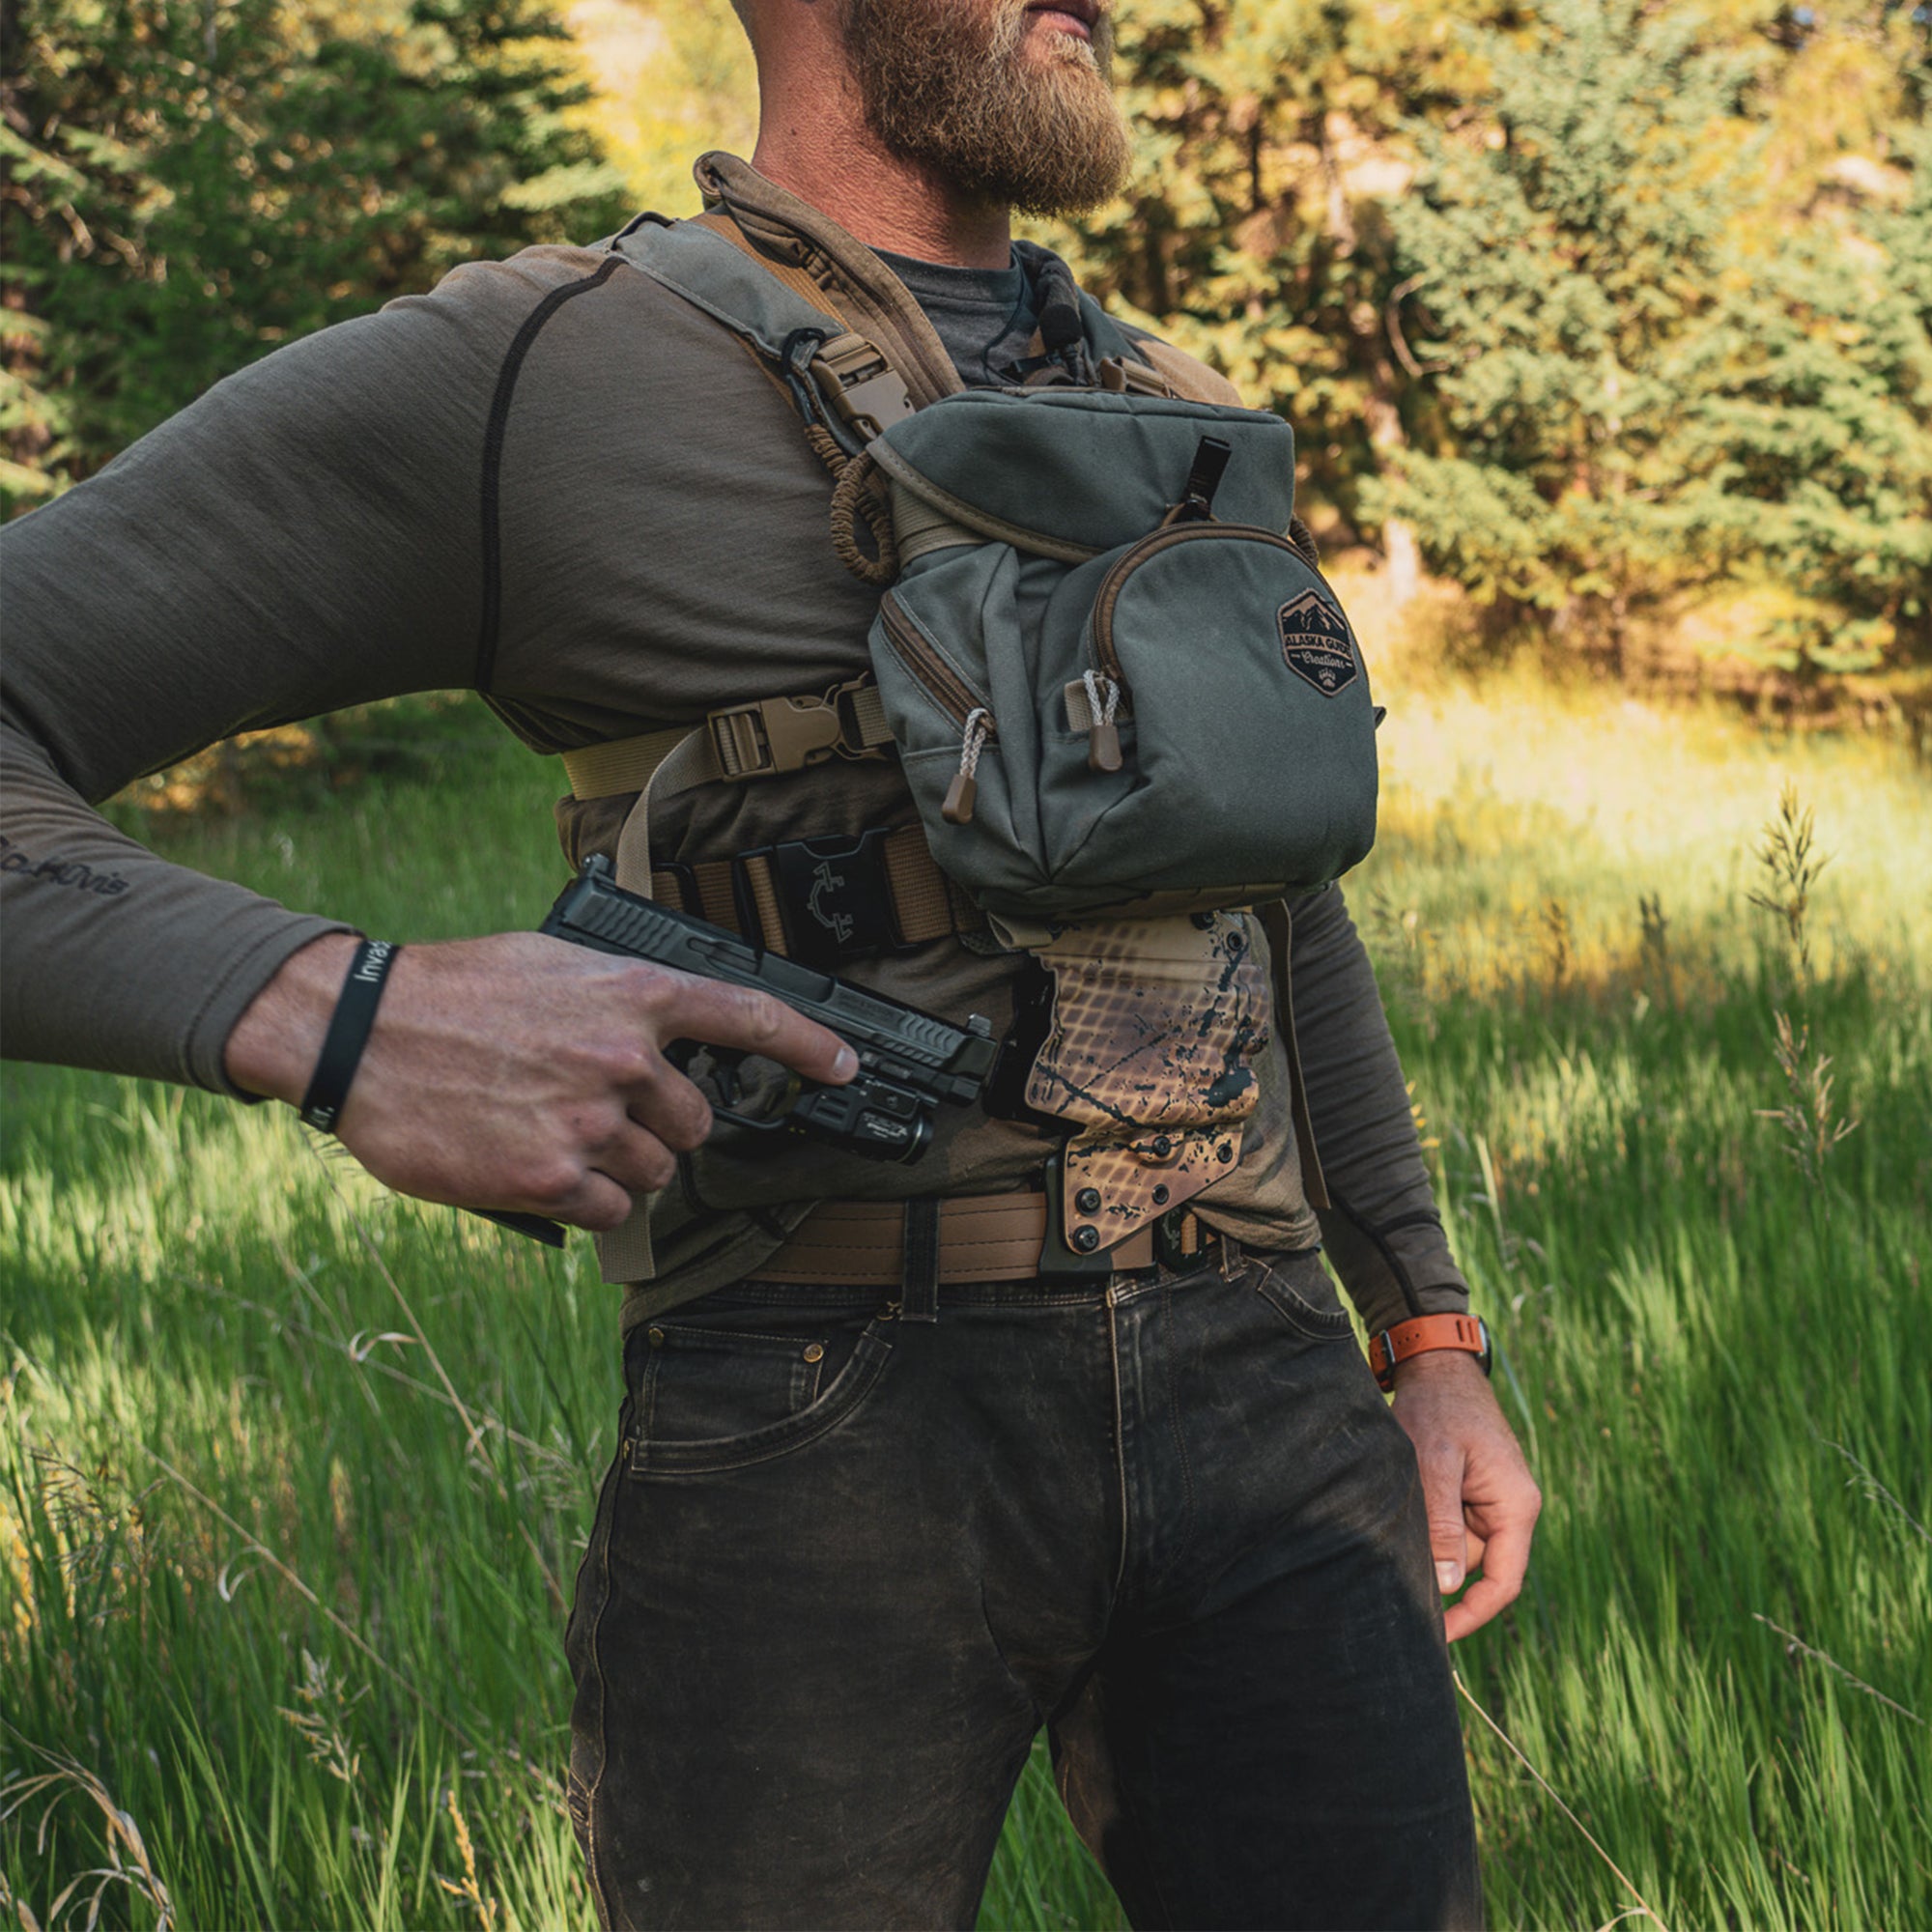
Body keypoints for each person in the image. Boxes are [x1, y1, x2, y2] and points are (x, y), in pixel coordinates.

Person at [0, 0, 1543, 1922]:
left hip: (1274, 1403)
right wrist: (335, 1008)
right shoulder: (537, 375)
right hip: (820, 1437)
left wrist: (1428, 1335)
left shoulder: (1169, 396)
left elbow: (1279, 899)